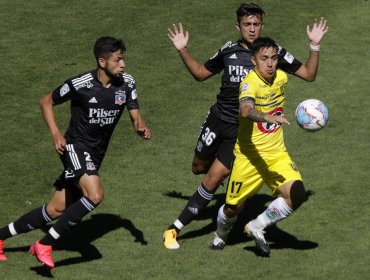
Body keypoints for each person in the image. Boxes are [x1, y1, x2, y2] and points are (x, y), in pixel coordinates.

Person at [163, 3, 328, 249]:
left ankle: (176, 229)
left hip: (243, 133)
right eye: (247, 24)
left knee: (213, 177)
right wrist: (183, 49)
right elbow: (199, 73)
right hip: (219, 119)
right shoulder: (228, 51)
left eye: (256, 24)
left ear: (262, 25)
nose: (252, 29)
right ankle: (218, 187)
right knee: (198, 167)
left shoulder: (274, 53)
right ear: (238, 26)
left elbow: (307, 74)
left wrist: (314, 45)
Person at [0, 36, 151, 268]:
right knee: (95, 195)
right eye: (118, 60)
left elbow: (134, 112)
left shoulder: (127, 82)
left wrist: (139, 125)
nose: (123, 65)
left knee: (56, 209)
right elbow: (45, 102)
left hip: (96, 154)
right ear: (102, 62)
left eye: (123, 59)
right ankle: (44, 244)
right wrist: (55, 133)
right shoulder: (81, 84)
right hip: (75, 146)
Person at [211, 37, 308, 255]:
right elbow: (245, 110)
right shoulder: (249, 83)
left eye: (274, 58)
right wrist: (266, 116)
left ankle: (257, 225)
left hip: (276, 154)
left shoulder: (281, 78)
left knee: (297, 194)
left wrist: (314, 45)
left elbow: (309, 74)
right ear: (253, 60)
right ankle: (221, 235)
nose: (270, 63)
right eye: (264, 58)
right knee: (232, 207)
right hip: (249, 156)